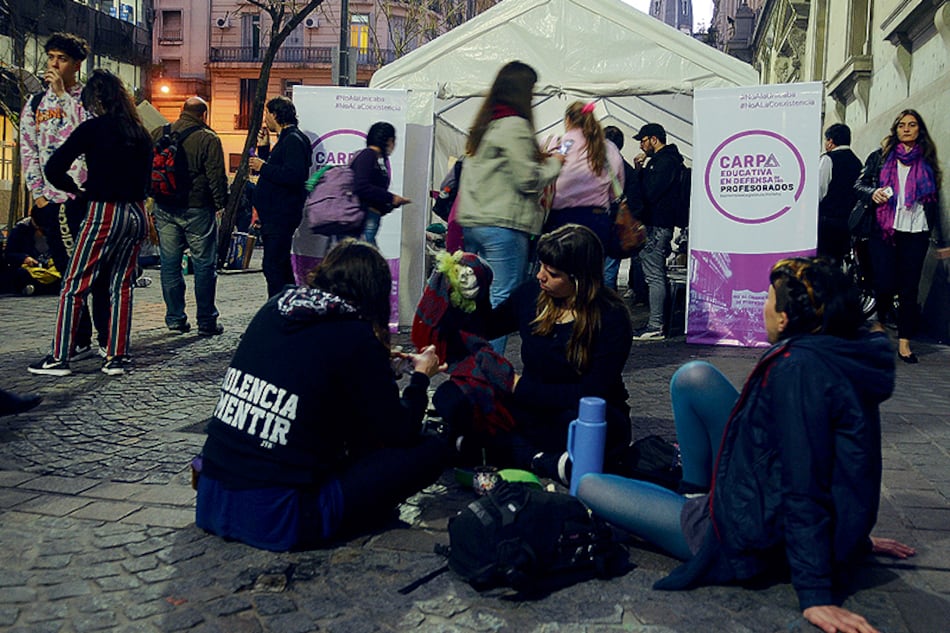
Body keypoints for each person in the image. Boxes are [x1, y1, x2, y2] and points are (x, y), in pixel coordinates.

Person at [578, 256, 915, 633]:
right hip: (758, 493)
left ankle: (692, 518)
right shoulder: (842, 350)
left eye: (770, 299)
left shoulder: (798, 370)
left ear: (785, 319)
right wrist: (853, 536)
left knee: (589, 484)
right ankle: (693, 497)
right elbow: (852, 464)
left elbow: (805, 485)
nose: (764, 306)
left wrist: (816, 593)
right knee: (695, 377)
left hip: (747, 533)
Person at [195, 239, 450, 551]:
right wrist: (422, 377)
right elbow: (399, 430)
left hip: (212, 497)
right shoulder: (355, 336)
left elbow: (310, 370)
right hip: (279, 515)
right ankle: (364, 511)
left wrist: (375, 366)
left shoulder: (276, 307)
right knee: (431, 448)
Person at [435, 225, 632, 484]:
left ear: (579, 279)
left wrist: (519, 387)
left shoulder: (611, 317)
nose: (541, 276)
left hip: (578, 411)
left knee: (586, 425)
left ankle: (499, 450)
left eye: (553, 274)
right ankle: (539, 458)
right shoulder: (532, 295)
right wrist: (474, 294)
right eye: (540, 266)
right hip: (529, 406)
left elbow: (591, 391)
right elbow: (487, 327)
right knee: (452, 396)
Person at [28, 69, 152, 377]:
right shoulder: (140, 132)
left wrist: (74, 190)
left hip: (103, 210)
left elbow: (54, 166)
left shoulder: (92, 129)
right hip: (136, 213)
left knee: (74, 283)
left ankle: (59, 356)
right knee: (121, 285)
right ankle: (117, 355)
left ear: (96, 100)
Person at [455, 60, 564, 355]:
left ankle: (469, 362)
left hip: (475, 222)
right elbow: (528, 179)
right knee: (502, 301)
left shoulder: (487, 123)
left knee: (476, 298)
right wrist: (555, 164)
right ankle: (487, 370)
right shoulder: (515, 124)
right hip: (503, 224)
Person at [19, 31, 109, 358]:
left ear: (77, 65)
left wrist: (62, 97)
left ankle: (105, 337)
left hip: (82, 197)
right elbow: (28, 149)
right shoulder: (34, 103)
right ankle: (79, 338)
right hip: (50, 200)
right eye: (52, 57)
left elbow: (88, 132)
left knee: (93, 272)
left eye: (63, 59)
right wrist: (38, 194)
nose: (54, 65)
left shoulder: (87, 100)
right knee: (66, 271)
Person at [854, 109, 943, 364]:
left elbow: (935, 201)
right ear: (896, 130)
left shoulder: (927, 160)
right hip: (884, 228)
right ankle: (879, 325)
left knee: (909, 287)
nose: (906, 129)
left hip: (917, 229)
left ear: (919, 130)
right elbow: (858, 185)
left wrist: (941, 240)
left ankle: (904, 342)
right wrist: (873, 192)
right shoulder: (880, 157)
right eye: (902, 125)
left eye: (912, 124)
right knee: (883, 283)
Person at [152, 97, 229, 336]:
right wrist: (221, 205)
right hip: (197, 209)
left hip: (164, 208)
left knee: (170, 264)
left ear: (182, 111)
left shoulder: (158, 133)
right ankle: (206, 320)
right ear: (203, 115)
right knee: (204, 265)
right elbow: (216, 176)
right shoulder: (208, 138)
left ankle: (175, 318)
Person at [544, 102, 624, 288]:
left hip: (561, 220)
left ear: (568, 120)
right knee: (592, 278)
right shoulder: (608, 148)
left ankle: (565, 314)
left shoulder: (563, 144)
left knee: (561, 277)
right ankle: (592, 315)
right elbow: (616, 189)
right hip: (597, 221)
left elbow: (549, 174)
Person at [248, 96, 312, 297]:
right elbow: (278, 170)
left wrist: (262, 166)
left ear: (275, 114)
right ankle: (288, 305)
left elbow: (293, 175)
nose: (265, 118)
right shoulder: (287, 139)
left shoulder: (293, 140)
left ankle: (278, 308)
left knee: (273, 267)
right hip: (275, 214)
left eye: (267, 113)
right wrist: (265, 149)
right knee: (280, 266)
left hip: (281, 214)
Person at [632, 123, 685, 341]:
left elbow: (650, 193)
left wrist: (640, 172)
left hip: (657, 225)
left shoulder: (665, 162)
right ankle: (655, 323)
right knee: (654, 273)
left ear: (654, 139)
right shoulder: (665, 161)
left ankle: (656, 324)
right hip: (658, 224)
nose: (642, 146)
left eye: (643, 140)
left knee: (654, 275)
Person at [352, 121, 410, 247]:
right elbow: (362, 187)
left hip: (369, 219)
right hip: (364, 221)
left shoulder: (376, 159)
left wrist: (391, 203)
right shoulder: (368, 156)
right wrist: (391, 198)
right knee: (366, 260)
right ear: (389, 141)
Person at [604, 125, 645, 294]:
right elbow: (636, 202)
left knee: (601, 272)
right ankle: (607, 310)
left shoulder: (596, 167)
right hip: (617, 226)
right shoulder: (626, 168)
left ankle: (598, 311)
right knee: (609, 271)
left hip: (605, 223)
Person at [817, 123, 862, 261]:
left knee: (826, 261)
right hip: (850, 221)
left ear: (830, 141)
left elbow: (820, 190)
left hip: (828, 221)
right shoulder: (857, 162)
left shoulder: (828, 159)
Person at [3, 212, 62, 296]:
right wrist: (24, 258)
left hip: (50, 268)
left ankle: (38, 288)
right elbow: (9, 254)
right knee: (22, 273)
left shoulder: (53, 227)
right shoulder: (21, 229)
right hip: (30, 267)